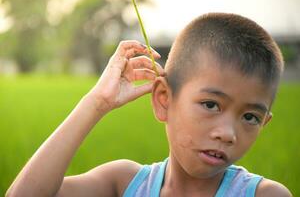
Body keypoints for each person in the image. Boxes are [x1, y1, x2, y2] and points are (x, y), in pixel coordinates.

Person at [6, 13, 292, 197]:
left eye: (251, 117)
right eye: (211, 104)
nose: (228, 133)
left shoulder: (265, 194)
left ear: (265, 121)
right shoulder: (124, 183)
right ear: (164, 99)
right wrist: (96, 103)